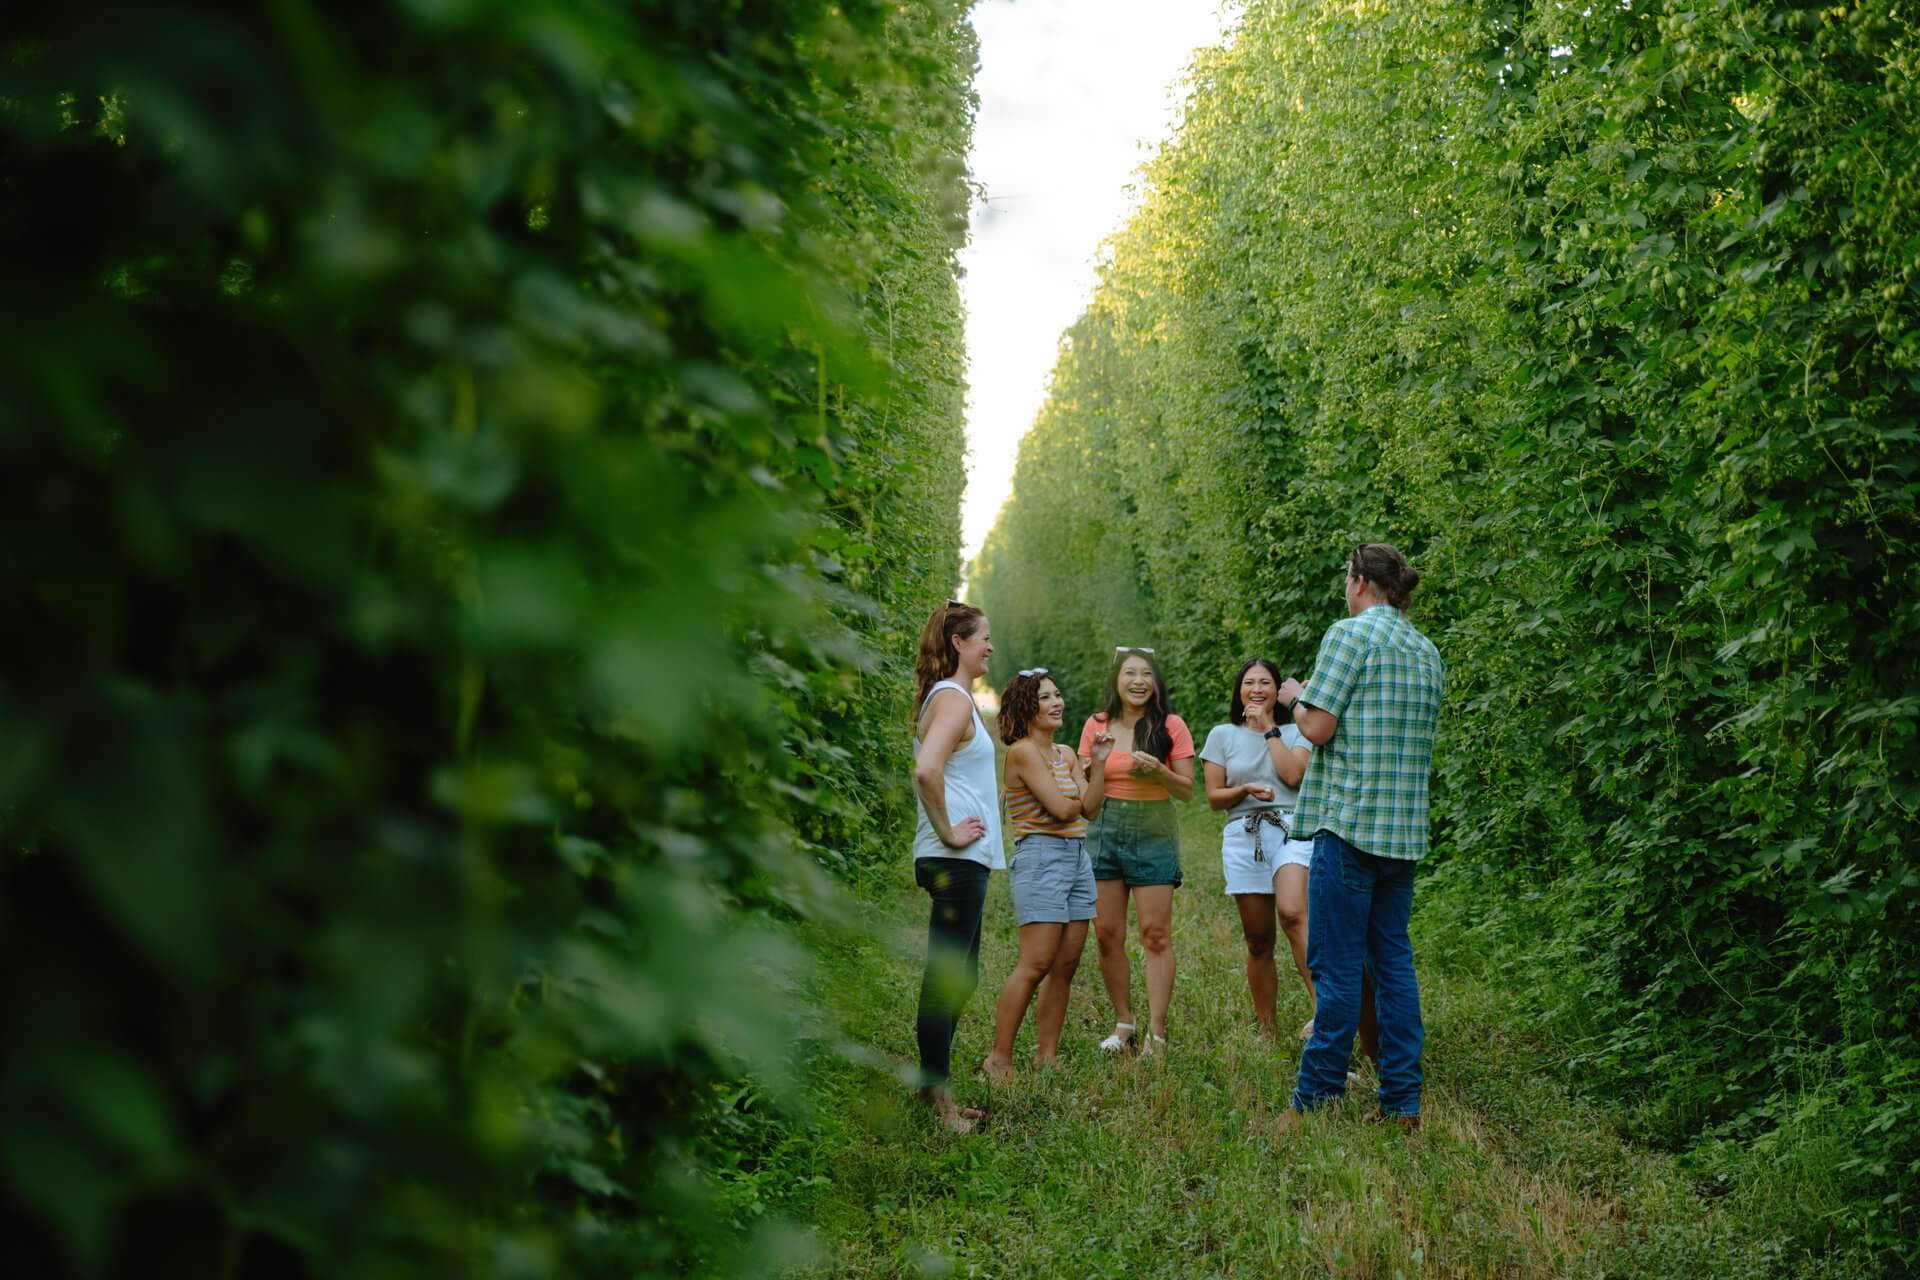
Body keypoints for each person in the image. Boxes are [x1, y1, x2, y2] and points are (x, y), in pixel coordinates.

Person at [1277, 544, 1444, 1132]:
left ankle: (1313, 1099)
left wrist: (1295, 698)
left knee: (1337, 970)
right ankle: (1402, 1103)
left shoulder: (1349, 635)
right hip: (1402, 832)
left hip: (1349, 825)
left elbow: (1319, 727)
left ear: (1359, 583)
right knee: (1393, 966)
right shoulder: (1426, 650)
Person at [979, 669, 1112, 1084]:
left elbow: (1091, 809)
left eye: (1057, 695)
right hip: (1041, 858)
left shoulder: (1065, 753)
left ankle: (1046, 1056)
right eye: (1045, 698)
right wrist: (1078, 796)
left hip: (1076, 858)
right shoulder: (1022, 753)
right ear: (1026, 707)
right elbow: (1062, 808)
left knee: (1065, 964)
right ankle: (998, 1058)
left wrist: (1099, 764)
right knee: (1035, 963)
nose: (1057, 703)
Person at [909, 600, 1002, 1132]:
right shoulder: (953, 699)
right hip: (953, 858)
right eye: (983, 637)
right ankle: (938, 1100)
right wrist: (948, 831)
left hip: (963, 859)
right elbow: (927, 770)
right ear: (958, 643)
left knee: (961, 977)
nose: (990, 646)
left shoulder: (954, 697)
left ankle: (934, 1086)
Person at [1079, 647, 1195, 1060]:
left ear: (1156, 683)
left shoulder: (1171, 725)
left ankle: (1156, 1034)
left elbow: (1187, 790)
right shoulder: (1096, 725)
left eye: (1146, 673)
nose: (1138, 681)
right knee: (1107, 934)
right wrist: (1096, 765)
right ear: (1116, 679)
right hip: (1106, 828)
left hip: (1153, 828)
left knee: (1155, 934)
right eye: (1130, 673)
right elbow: (1086, 794)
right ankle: (1124, 1023)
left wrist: (1159, 771)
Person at [1200, 658, 1315, 1040]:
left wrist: (1269, 730)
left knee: (1294, 916)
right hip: (1243, 834)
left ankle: (1326, 1016)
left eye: (1266, 682)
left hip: (1291, 830)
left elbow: (1293, 775)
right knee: (1258, 939)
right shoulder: (1222, 735)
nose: (1257, 689)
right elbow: (1214, 797)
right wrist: (1244, 790)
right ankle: (1266, 1029)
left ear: (1278, 691)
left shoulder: (1296, 730)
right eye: (1249, 682)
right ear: (1239, 691)